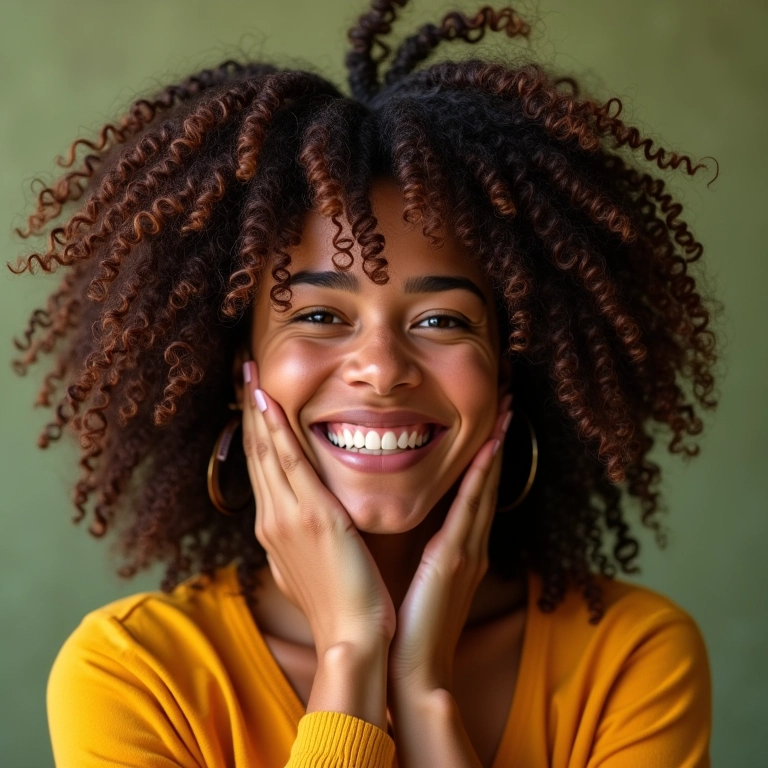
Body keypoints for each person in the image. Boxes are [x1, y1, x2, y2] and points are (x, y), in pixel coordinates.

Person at [10, 1, 719, 766]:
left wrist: (423, 693)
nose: (381, 368)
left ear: (510, 366)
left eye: (442, 320)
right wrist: (352, 653)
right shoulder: (135, 676)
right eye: (319, 315)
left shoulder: (631, 659)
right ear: (238, 369)